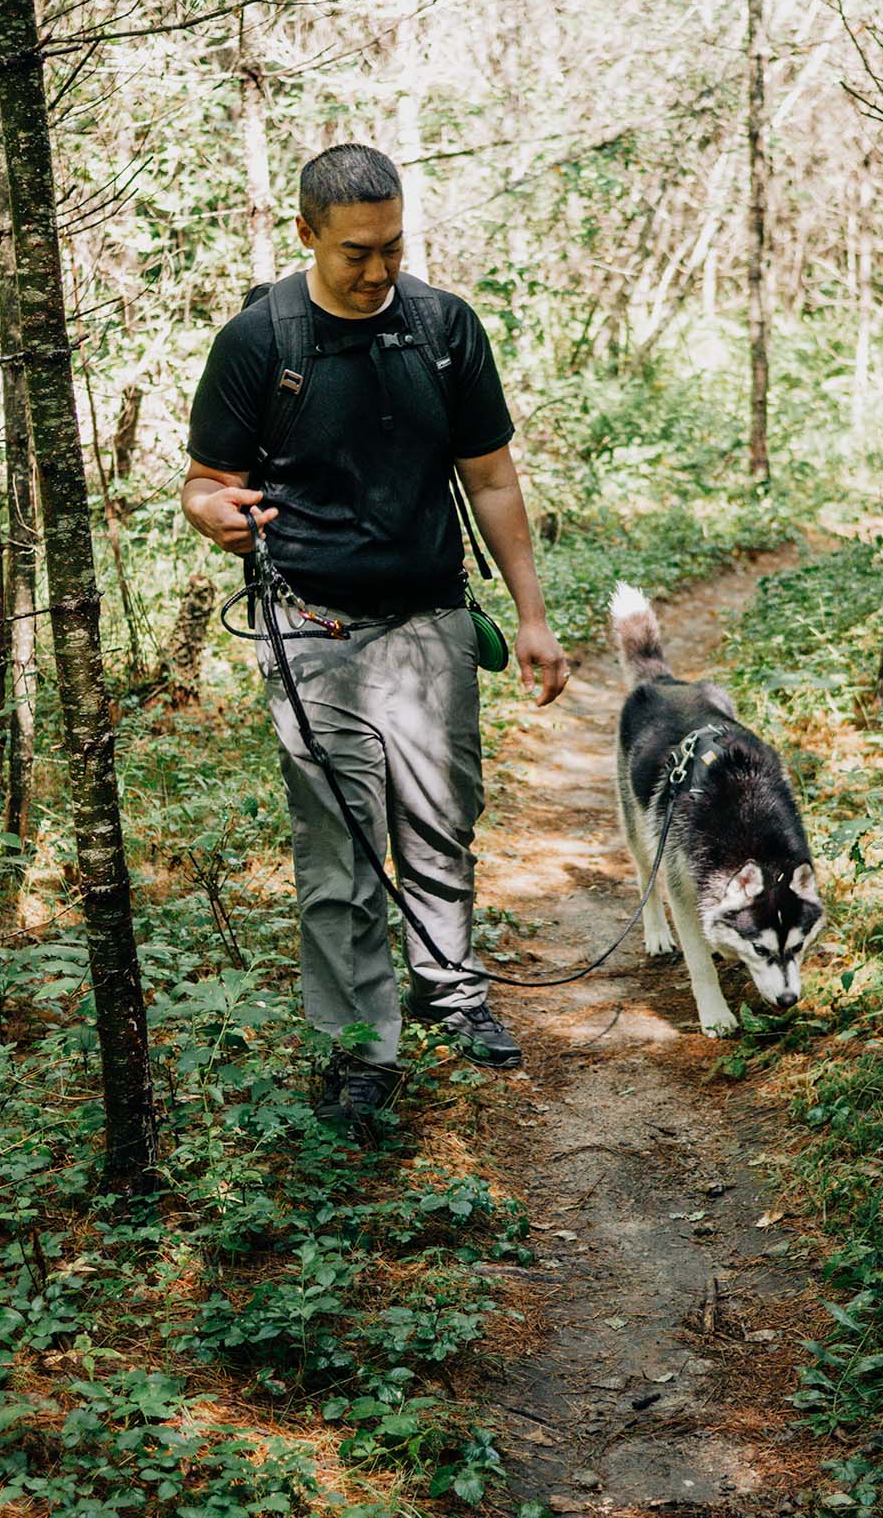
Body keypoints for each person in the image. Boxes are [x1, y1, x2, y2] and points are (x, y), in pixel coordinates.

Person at [181, 142, 569, 1132]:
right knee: (340, 850)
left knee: (440, 818)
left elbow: (490, 477)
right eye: (356, 250)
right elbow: (204, 482)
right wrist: (215, 514)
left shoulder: (443, 330)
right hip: (305, 623)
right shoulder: (259, 342)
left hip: (430, 614)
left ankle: (451, 986)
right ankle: (360, 1048)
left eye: (392, 246)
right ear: (307, 232)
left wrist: (528, 614)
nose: (377, 269)